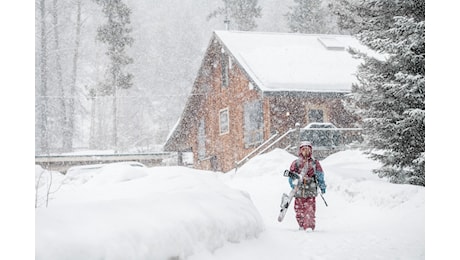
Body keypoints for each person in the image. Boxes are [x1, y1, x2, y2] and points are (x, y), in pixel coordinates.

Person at [288, 141, 326, 231]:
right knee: (299, 209)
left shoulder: (314, 163)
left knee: (310, 209)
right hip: (299, 190)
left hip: (311, 190)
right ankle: (301, 224)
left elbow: (320, 175)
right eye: (304, 149)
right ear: (300, 151)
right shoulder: (296, 163)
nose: (306, 151)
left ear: (311, 150)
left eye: (308, 149)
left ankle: (309, 226)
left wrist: (322, 186)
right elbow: (291, 176)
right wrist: (293, 184)